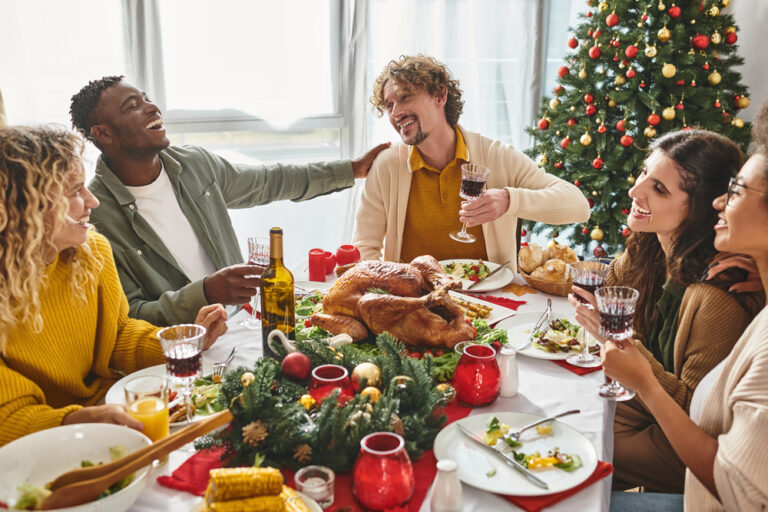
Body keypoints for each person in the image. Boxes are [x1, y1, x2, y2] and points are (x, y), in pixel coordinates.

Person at [70, 75, 389, 326]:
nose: (153, 109)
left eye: (147, 100)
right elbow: (129, 317)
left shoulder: (195, 164)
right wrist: (204, 293)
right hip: (184, 354)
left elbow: (269, 181)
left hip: (247, 323)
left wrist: (351, 170)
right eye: (132, 107)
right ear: (104, 134)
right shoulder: (95, 217)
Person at [0, 125, 228, 447]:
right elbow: (7, 420)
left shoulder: (91, 251)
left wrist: (181, 345)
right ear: (25, 206)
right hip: (44, 443)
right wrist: (76, 420)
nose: (92, 201)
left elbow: (117, 335)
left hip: (111, 412)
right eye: (75, 191)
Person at [569, 129, 764, 493]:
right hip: (646, 406)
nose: (635, 190)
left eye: (660, 189)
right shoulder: (651, 246)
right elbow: (609, 288)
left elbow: (696, 415)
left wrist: (621, 344)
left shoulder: (718, 295)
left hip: (682, 447)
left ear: (705, 205)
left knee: (576, 445)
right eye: (644, 173)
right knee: (569, 405)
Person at [354, 54, 590, 265]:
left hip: (491, 303)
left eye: (405, 97)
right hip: (414, 303)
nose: (395, 113)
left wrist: (509, 200)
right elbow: (364, 248)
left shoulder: (497, 156)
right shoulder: (386, 166)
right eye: (389, 105)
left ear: (440, 95)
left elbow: (578, 206)